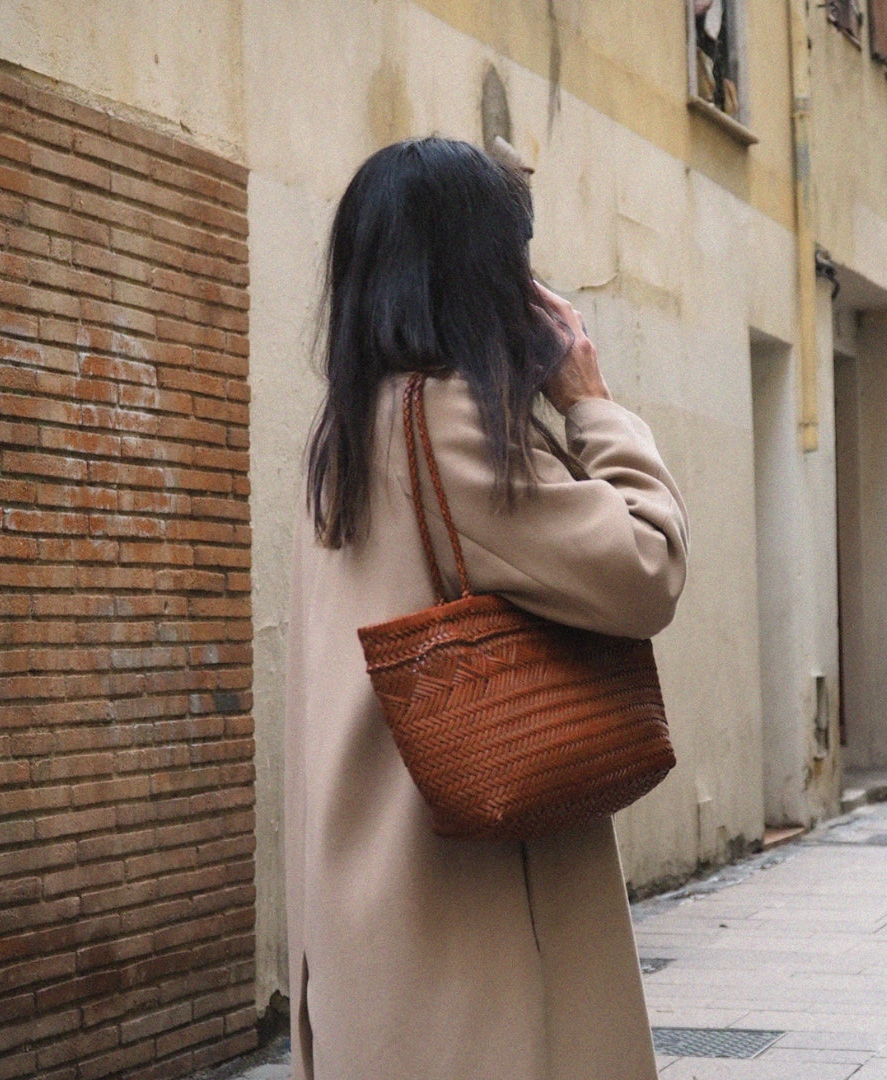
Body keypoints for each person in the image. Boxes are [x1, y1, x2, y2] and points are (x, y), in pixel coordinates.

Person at [284, 136, 689, 1080]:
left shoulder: (343, 432)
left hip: (366, 907)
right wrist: (591, 404)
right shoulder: (450, 424)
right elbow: (647, 564)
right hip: (472, 927)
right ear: (482, 273)